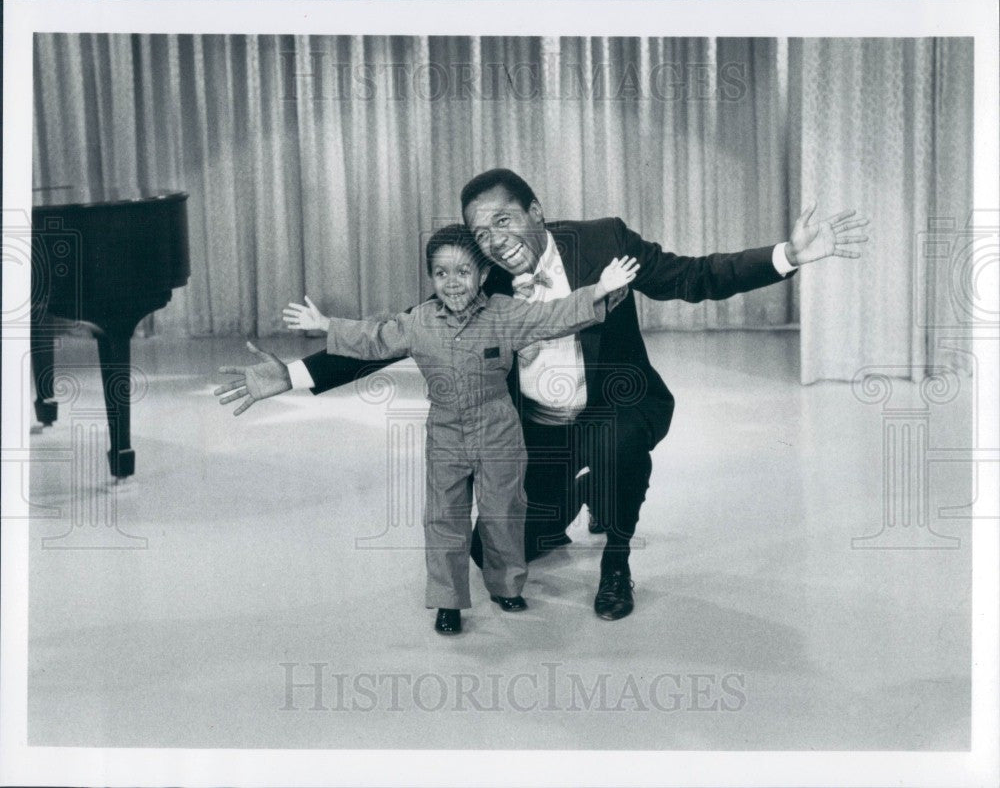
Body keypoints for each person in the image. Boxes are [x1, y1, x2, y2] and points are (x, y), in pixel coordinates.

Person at [215, 169, 869, 622]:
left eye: (506, 222)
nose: (497, 240)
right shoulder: (484, 280)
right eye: (483, 233)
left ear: (535, 213)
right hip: (537, 431)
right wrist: (295, 376)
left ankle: (616, 555)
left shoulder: (604, 242)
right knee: (493, 552)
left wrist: (786, 254)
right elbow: (400, 333)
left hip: (617, 403)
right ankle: (563, 505)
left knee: (614, 446)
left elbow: (691, 277)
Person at [275, 224, 639, 634]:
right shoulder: (419, 322)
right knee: (444, 519)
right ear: (431, 278)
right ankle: (448, 602)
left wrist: (598, 290)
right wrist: (327, 325)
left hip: (499, 429)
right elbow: (375, 338)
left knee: (503, 513)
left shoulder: (504, 313)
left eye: (463, 272)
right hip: (446, 433)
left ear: (483, 275)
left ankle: (506, 586)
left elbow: (551, 316)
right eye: (441, 273)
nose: (452, 283)